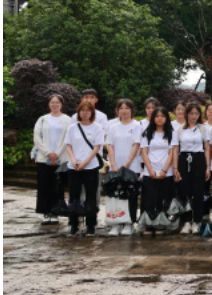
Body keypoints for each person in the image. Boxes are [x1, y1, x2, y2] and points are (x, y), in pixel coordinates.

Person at [65, 101, 106, 236]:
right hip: (74, 166)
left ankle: (90, 225)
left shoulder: (97, 127)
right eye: (82, 110)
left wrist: (85, 162)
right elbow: (68, 145)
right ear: (79, 112)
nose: (85, 113)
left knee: (91, 196)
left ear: (92, 112)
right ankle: (74, 224)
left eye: (88, 110)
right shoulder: (72, 127)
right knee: (74, 196)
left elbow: (97, 147)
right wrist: (73, 160)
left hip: (91, 166)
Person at [105, 99, 142, 235]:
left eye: (127, 108)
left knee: (130, 196)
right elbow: (109, 145)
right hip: (115, 167)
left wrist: (126, 164)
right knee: (115, 196)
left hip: (132, 167)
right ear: (117, 110)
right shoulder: (113, 127)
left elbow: (136, 145)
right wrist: (113, 164)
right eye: (121, 108)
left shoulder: (137, 125)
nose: (124, 111)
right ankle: (116, 223)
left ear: (131, 110)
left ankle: (129, 223)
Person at [33, 94, 72, 226]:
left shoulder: (67, 120)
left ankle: (56, 212)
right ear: (48, 104)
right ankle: (46, 212)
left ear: (62, 104)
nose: (54, 105)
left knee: (58, 186)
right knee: (44, 185)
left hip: (61, 158)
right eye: (52, 102)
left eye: (57, 102)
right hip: (43, 159)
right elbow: (37, 137)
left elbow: (68, 138)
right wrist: (48, 153)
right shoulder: (42, 119)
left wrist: (57, 154)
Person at [173, 102, 210, 234]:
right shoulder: (179, 130)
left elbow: (207, 148)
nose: (193, 116)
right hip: (184, 159)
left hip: (199, 159)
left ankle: (197, 221)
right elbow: (175, 149)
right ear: (186, 114)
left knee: (198, 191)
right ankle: (186, 221)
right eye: (191, 113)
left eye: (196, 113)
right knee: (184, 191)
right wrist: (175, 168)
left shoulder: (203, 129)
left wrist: (208, 167)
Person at [140, 107, 178, 233]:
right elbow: (144, 153)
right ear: (153, 118)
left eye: (162, 116)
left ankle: (162, 223)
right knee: (149, 198)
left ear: (167, 118)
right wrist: (150, 170)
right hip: (149, 171)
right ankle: (150, 223)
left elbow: (172, 153)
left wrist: (165, 170)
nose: (159, 118)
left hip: (166, 171)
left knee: (164, 198)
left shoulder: (172, 133)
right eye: (157, 116)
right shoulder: (147, 133)